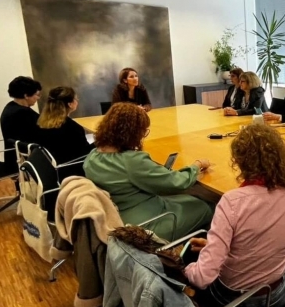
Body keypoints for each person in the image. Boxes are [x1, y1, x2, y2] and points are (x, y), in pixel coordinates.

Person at [185, 122, 285, 307]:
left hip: (233, 300)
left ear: (239, 161)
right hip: (278, 294)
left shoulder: (232, 202)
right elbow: (263, 235)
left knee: (193, 266)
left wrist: (184, 269)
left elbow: (203, 278)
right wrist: (217, 248)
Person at [84, 103, 212, 242]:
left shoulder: (92, 156)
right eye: (143, 131)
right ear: (132, 132)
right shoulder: (132, 161)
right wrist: (196, 166)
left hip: (117, 219)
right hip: (144, 227)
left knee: (189, 199)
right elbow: (176, 183)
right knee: (206, 207)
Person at [35, 86, 91, 164]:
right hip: (71, 166)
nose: (77, 101)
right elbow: (85, 153)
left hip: (48, 165)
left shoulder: (41, 123)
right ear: (70, 104)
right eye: (76, 99)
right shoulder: (73, 128)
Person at [0, 75, 42, 171]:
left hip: (14, 156)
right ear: (26, 95)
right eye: (37, 95)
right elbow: (40, 130)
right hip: (25, 159)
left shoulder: (11, 106)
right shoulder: (22, 113)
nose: (38, 98)